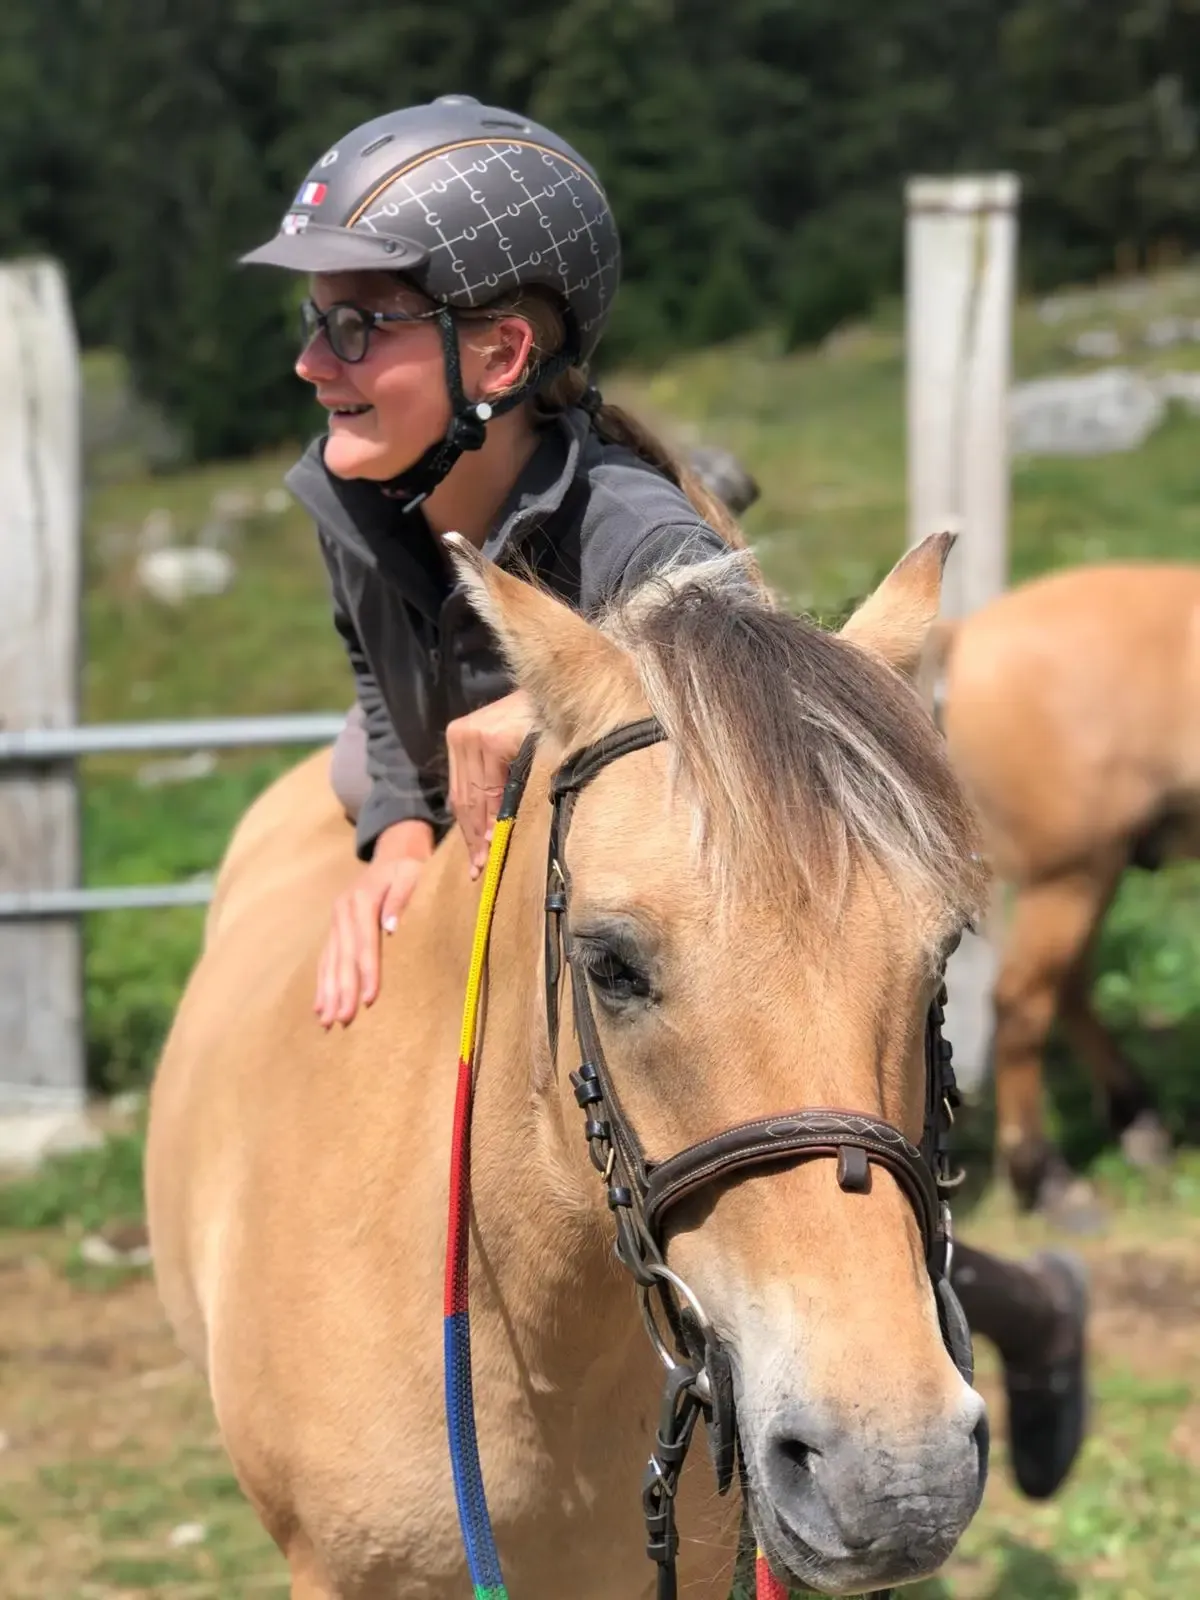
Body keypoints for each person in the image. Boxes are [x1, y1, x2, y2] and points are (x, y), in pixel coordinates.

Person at [241, 91, 1088, 1506]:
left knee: (757, 1120)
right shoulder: (355, 491)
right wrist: (392, 837)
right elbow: (380, 690)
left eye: (358, 325)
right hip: (485, 836)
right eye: (317, 320)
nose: (312, 360)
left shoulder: (636, 527)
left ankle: (958, 1317)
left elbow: (732, 691)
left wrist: (559, 695)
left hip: (652, 868)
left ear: (498, 353)